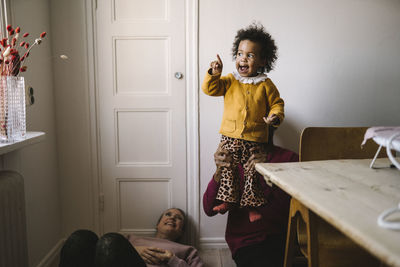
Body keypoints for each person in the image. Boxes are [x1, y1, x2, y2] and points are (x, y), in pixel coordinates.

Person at [201, 23, 284, 222]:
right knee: (228, 166)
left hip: (255, 140)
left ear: (263, 60)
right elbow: (210, 89)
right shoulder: (230, 80)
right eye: (239, 54)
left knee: (251, 171)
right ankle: (228, 200)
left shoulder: (266, 84)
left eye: (250, 55)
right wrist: (214, 73)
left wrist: (274, 117)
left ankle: (250, 207)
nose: (243, 59)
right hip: (230, 136)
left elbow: (277, 104)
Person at [203, 127, 299, 267]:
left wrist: (267, 172)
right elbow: (209, 209)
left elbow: (294, 207)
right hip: (247, 240)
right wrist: (219, 171)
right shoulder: (233, 160)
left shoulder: (289, 159)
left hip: (284, 235)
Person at [128, 208, 204, 267]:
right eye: (168, 214)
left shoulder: (189, 251)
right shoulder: (132, 239)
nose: (172, 217)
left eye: (178, 218)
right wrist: (134, 251)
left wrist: (172, 259)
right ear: (157, 225)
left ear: (181, 231)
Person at [59, 230, 146, 267]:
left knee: (110, 242)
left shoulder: (160, 242)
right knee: (80, 238)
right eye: (160, 217)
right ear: (157, 225)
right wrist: (136, 249)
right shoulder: (135, 238)